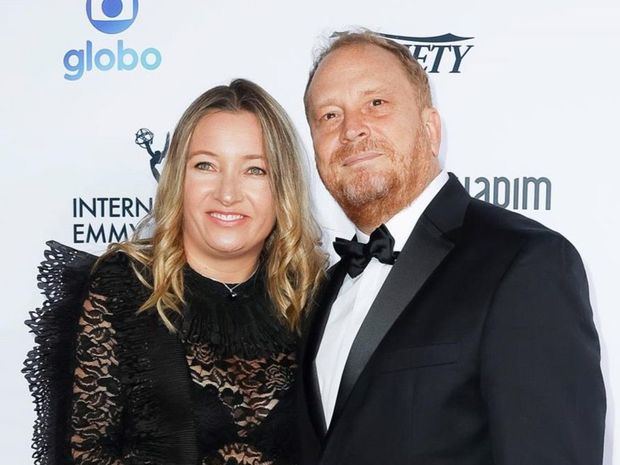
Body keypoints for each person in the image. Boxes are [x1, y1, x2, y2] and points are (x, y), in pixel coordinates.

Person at [297, 31, 606, 465]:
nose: (352, 129)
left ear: (430, 127)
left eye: (376, 104)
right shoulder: (326, 287)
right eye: (329, 115)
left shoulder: (524, 263)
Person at [23, 78, 326, 465]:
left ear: (282, 185)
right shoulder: (122, 286)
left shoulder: (318, 297)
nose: (228, 193)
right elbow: (86, 456)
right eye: (205, 165)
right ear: (177, 180)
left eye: (255, 170)